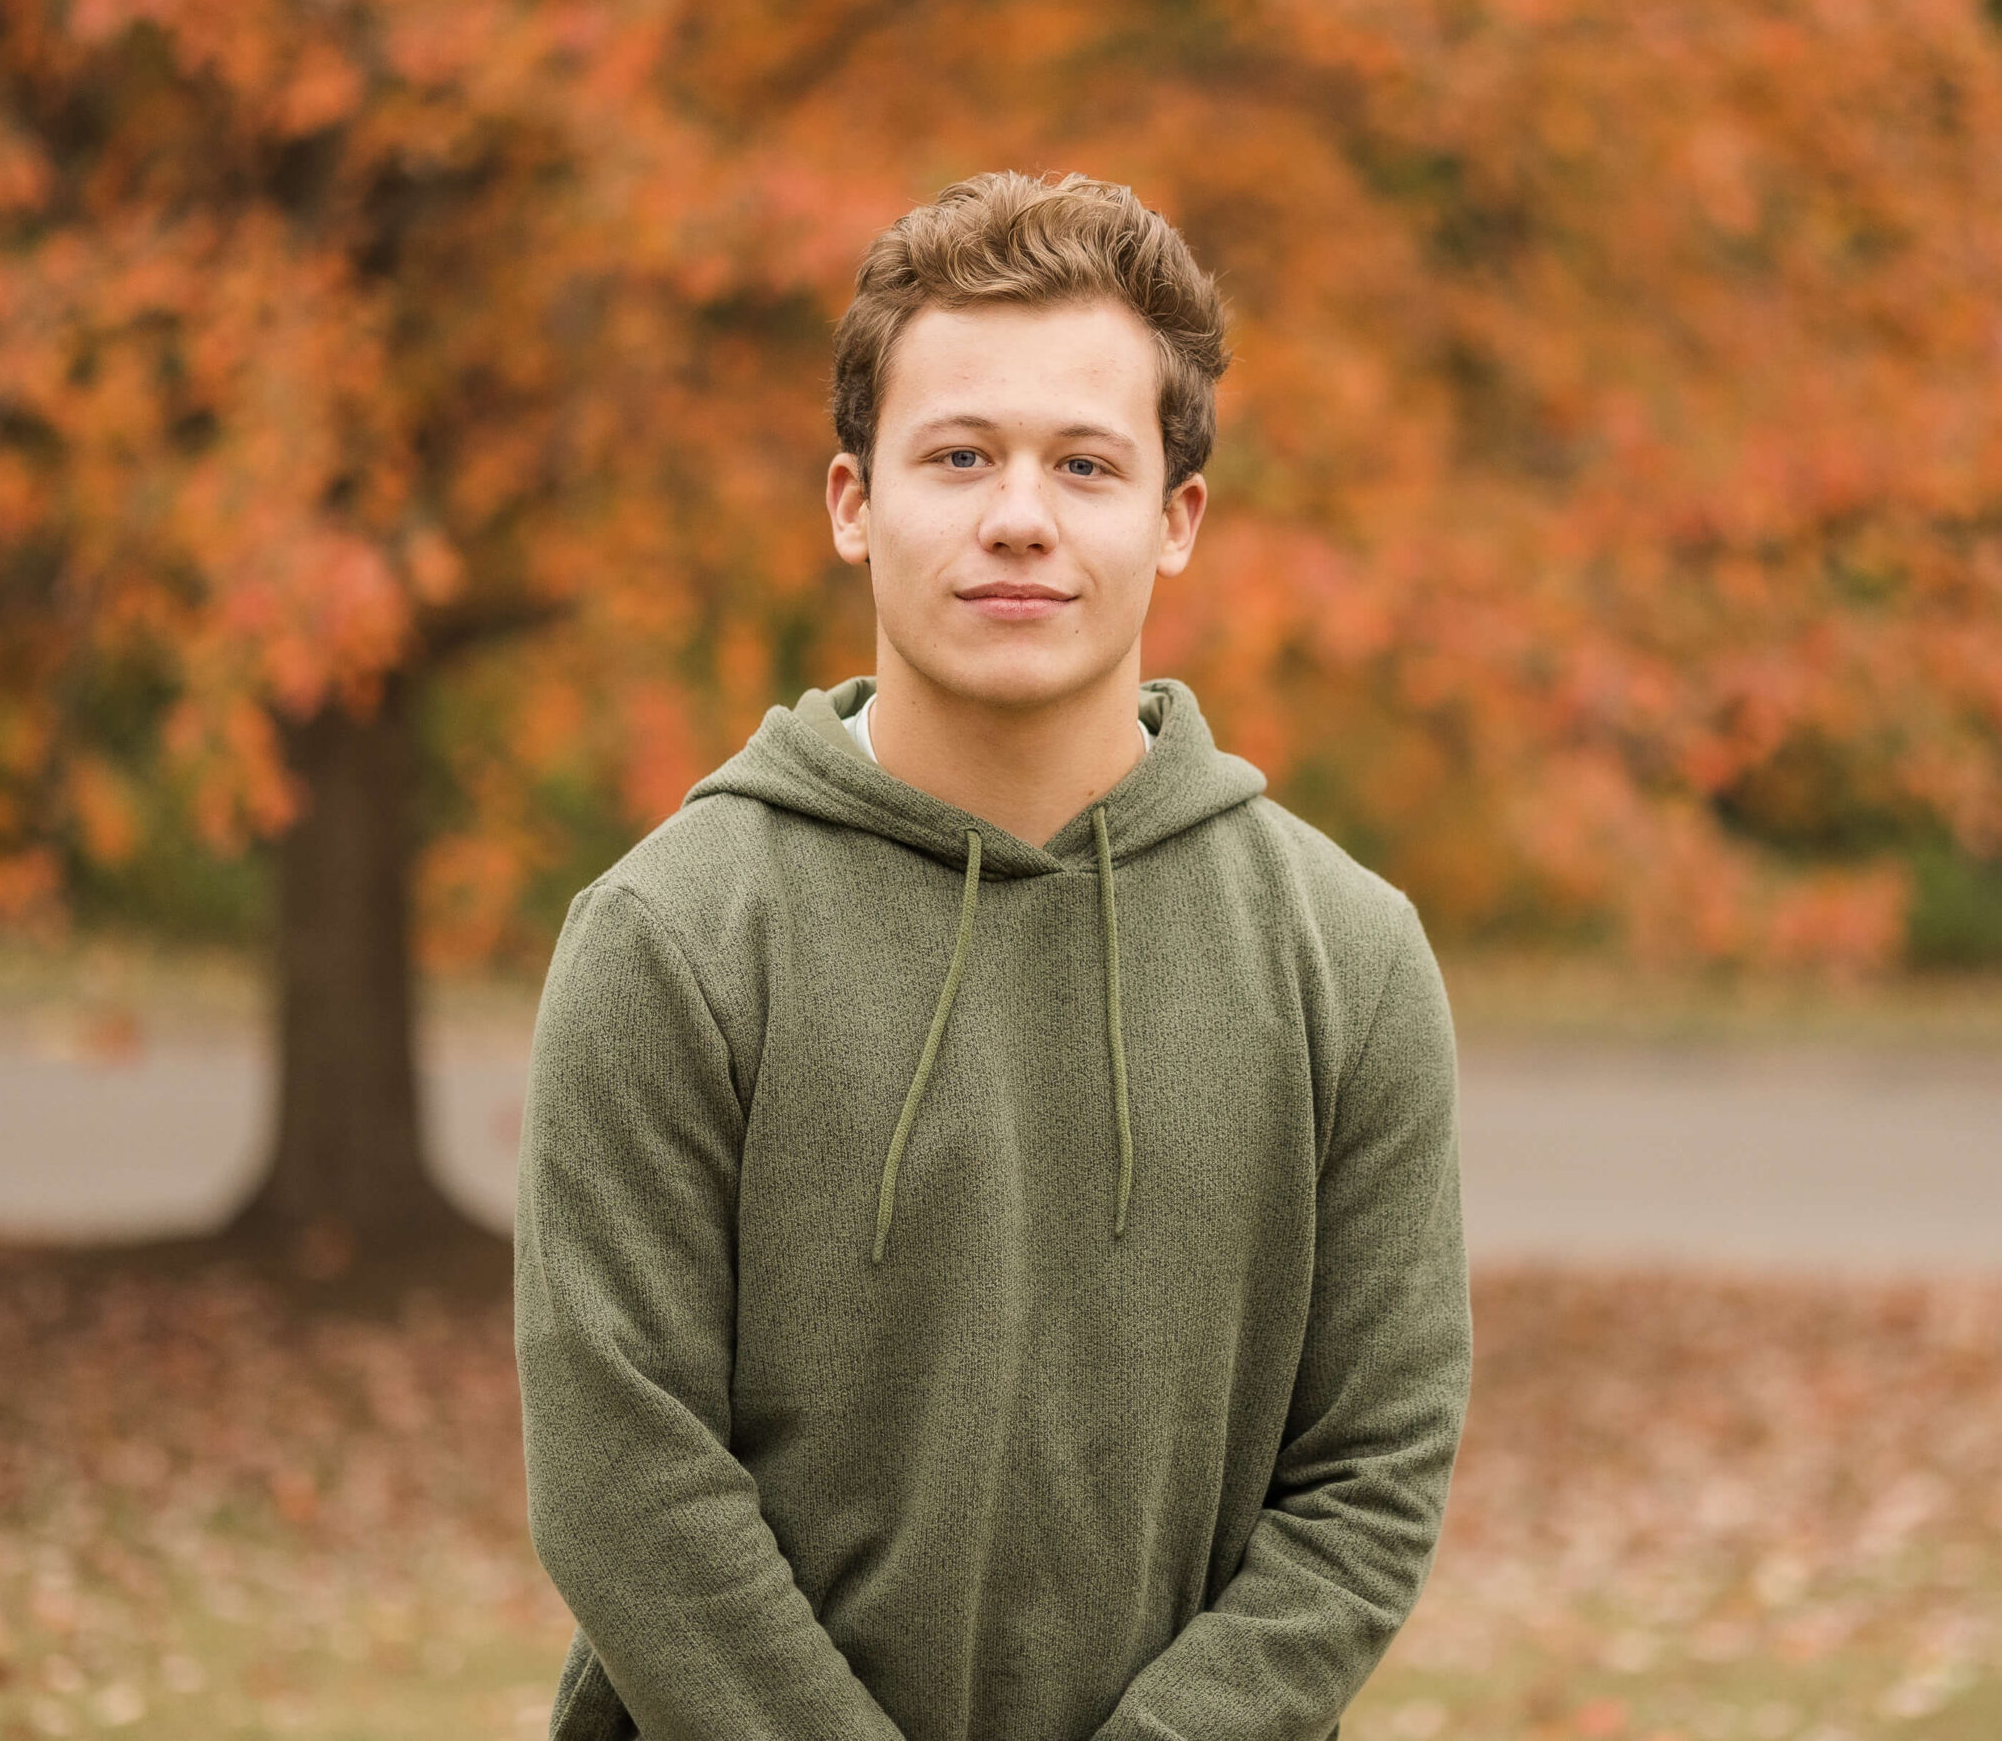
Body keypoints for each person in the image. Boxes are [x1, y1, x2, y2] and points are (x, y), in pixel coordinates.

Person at [514, 170, 1471, 1741]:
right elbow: (623, 1475)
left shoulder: (1346, 961)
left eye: (1085, 464)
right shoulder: (670, 939)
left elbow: (1372, 1476)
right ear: (853, 502)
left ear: (1174, 522)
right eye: (957, 455)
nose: (1017, 513)